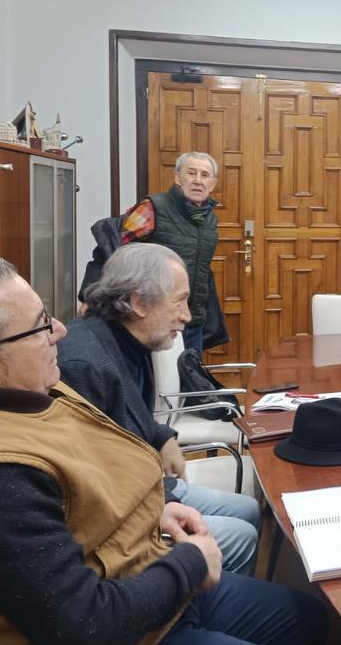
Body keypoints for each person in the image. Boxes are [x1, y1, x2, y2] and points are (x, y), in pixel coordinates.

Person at [0, 256, 341, 645]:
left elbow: (77, 493)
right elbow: (86, 631)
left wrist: (154, 510)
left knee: (311, 621)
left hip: (145, 583)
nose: (60, 331)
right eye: (42, 326)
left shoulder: (11, 391)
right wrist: (191, 563)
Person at [59, 243, 260, 575]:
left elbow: (129, 413)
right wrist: (166, 508)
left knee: (249, 509)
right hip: (120, 515)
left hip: (144, 482)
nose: (187, 316)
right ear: (138, 302)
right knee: (241, 535)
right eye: (179, 301)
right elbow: (91, 485)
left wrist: (163, 436)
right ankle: (200, 608)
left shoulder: (126, 338)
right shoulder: (85, 366)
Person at [120, 151, 223, 354]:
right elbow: (117, 253)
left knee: (190, 380)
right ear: (178, 177)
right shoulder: (153, 208)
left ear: (212, 183)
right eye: (191, 173)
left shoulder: (209, 220)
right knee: (157, 382)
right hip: (154, 319)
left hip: (192, 319)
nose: (197, 181)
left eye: (204, 175)